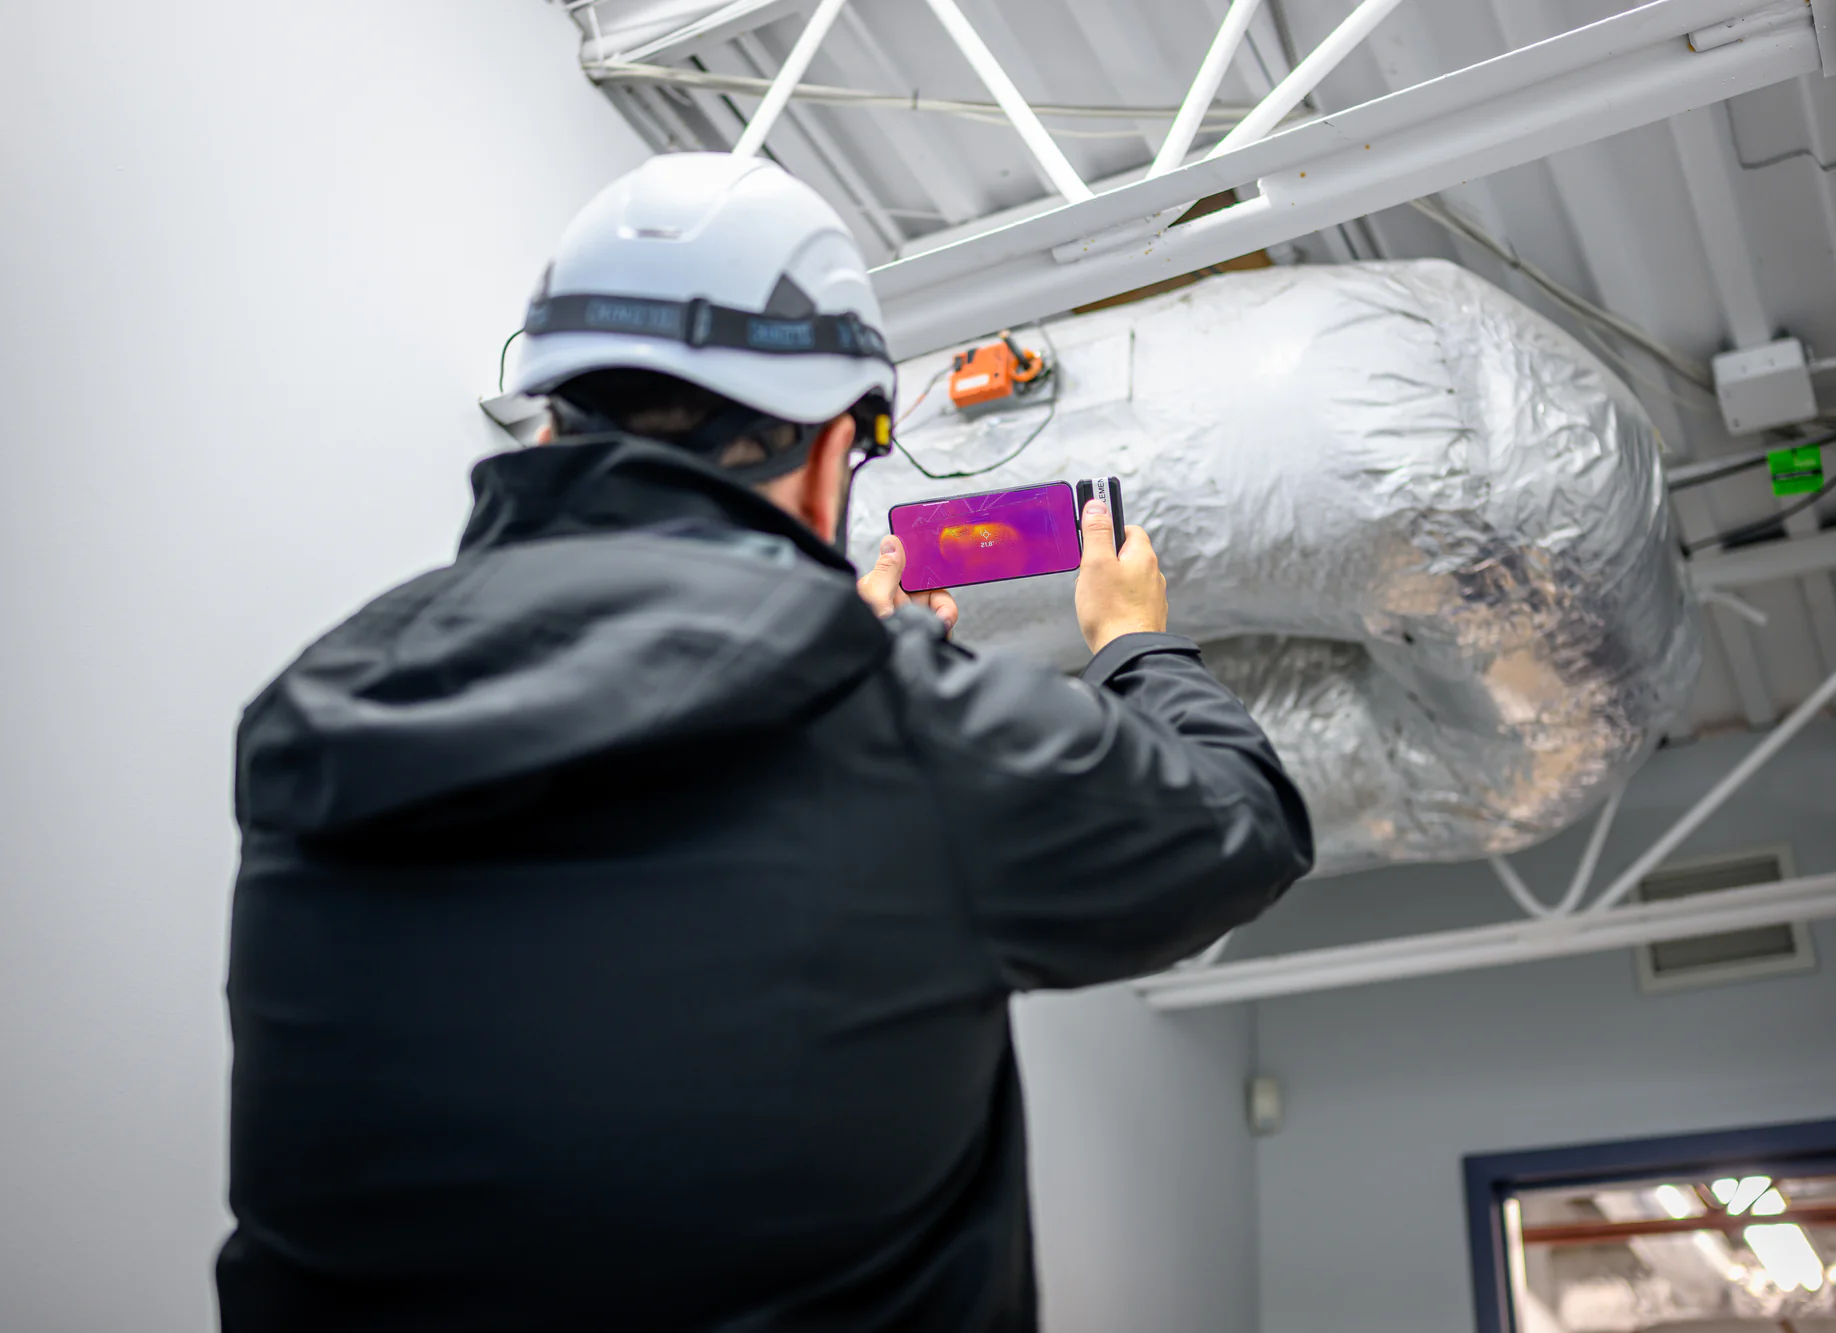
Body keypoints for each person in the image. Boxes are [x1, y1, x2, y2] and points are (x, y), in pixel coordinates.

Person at [218, 153, 1312, 1332]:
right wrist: (1131, 643)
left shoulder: (318, 705)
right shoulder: (899, 725)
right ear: (833, 454)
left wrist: (850, 662)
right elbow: (1244, 824)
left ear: (543, 424)